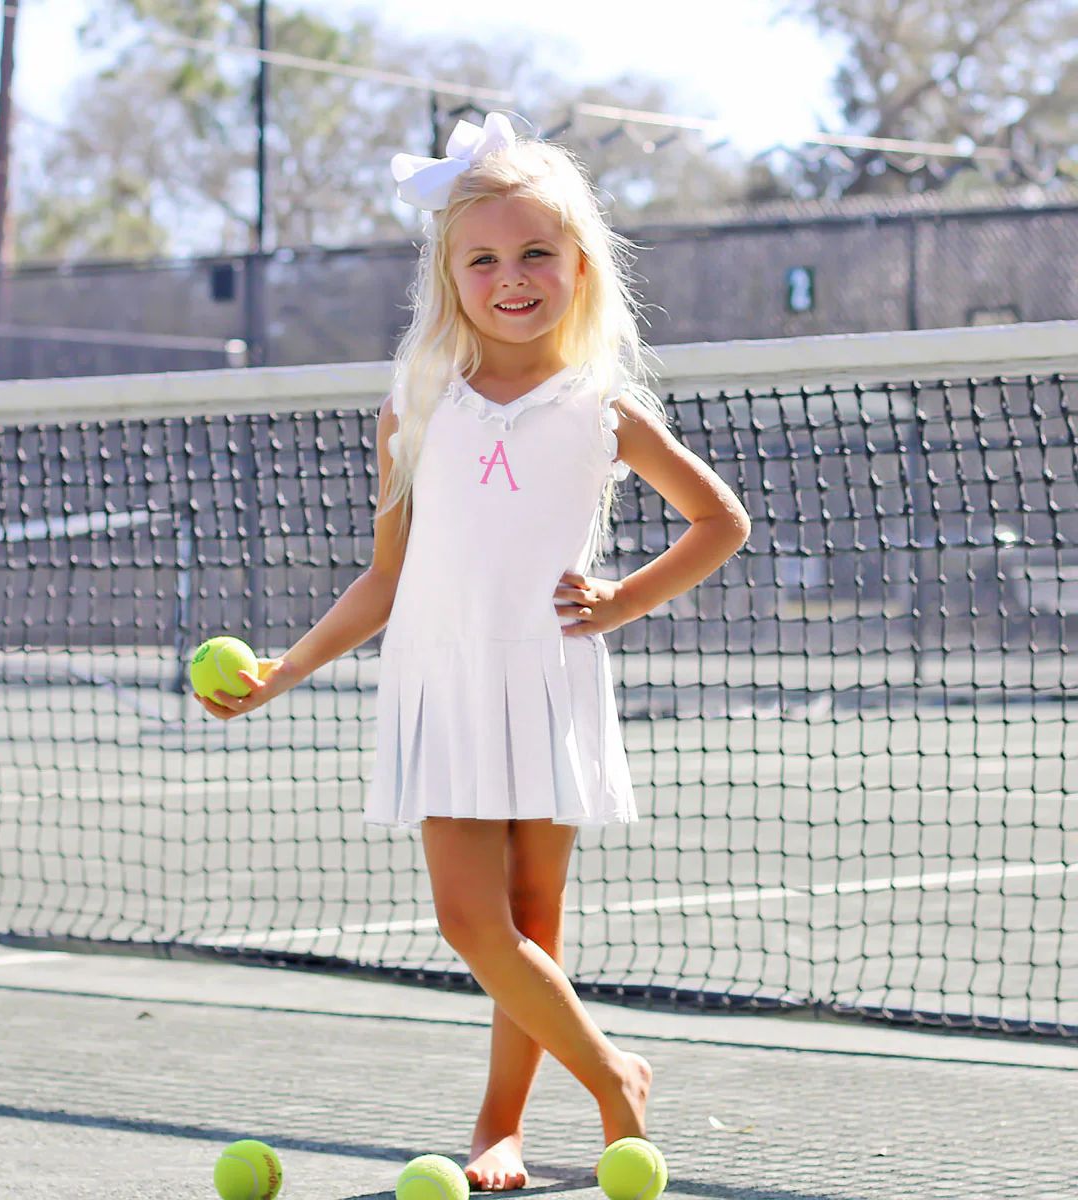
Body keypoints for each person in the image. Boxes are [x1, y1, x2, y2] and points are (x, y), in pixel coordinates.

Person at [197, 112, 752, 1193]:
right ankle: (613, 1078)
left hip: (548, 677)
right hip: (440, 683)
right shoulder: (413, 412)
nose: (511, 277)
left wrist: (620, 598)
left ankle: (498, 1125)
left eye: (536, 253)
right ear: (448, 277)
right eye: (483, 258)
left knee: (533, 920)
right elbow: (386, 578)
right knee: (470, 920)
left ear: (579, 266)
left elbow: (719, 521)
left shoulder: (605, 409)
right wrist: (284, 672)